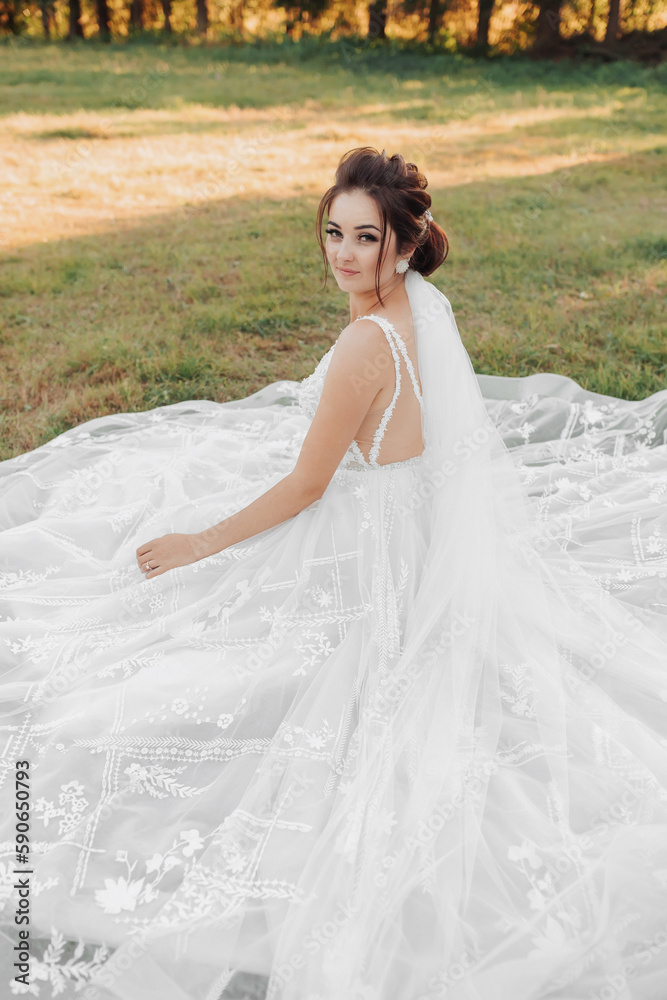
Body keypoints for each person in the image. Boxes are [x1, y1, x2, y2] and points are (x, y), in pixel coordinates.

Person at [1, 146, 666, 1000]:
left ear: (404, 243)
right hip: (421, 516)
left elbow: (308, 484)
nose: (344, 254)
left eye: (365, 238)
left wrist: (202, 543)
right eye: (332, 233)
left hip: (373, 538)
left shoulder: (365, 342)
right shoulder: (424, 309)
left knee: (200, 655)